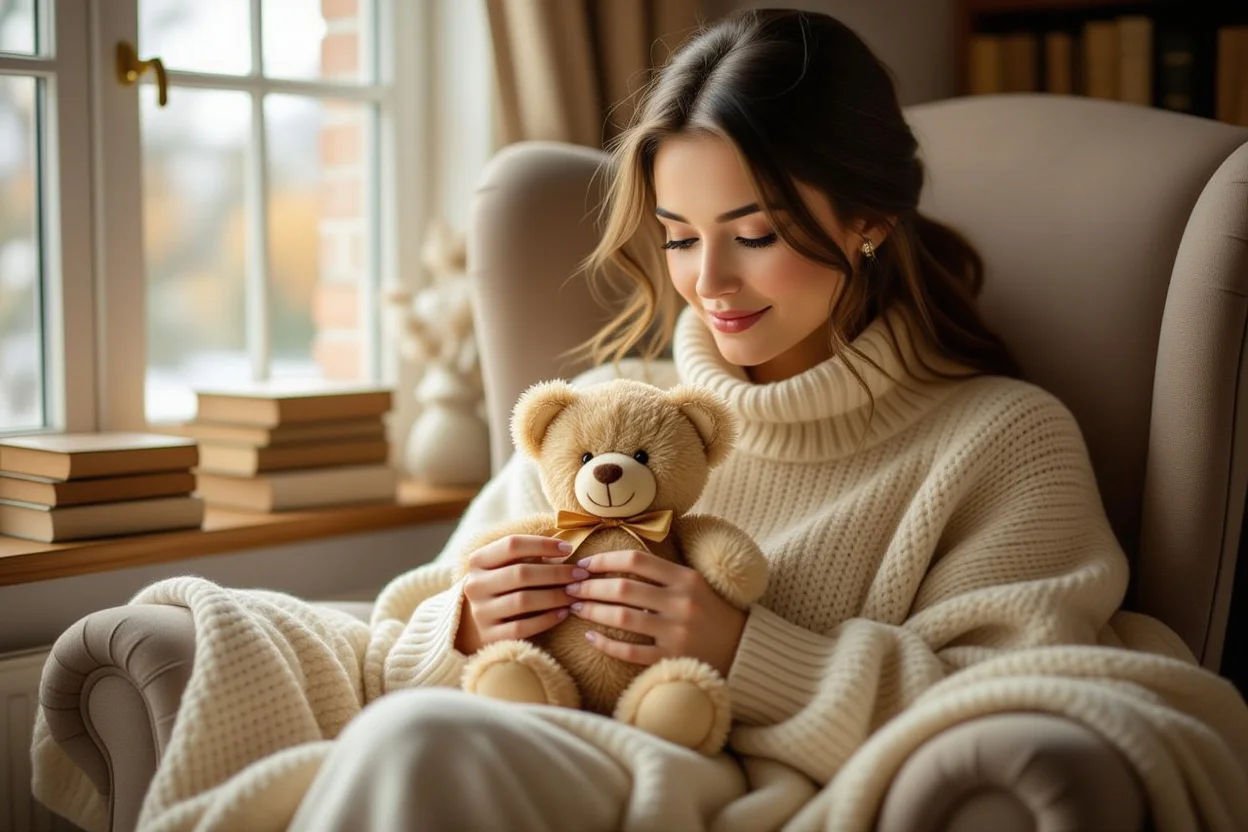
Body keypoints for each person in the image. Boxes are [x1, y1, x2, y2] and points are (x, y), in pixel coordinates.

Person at [287, 8, 1248, 832]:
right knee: (411, 731)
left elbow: (1021, 696)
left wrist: (744, 653)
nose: (709, 284)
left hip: (709, 790)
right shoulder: (612, 408)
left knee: (418, 743)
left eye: (754, 235)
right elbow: (392, 648)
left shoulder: (999, 439)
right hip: (521, 748)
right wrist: (463, 623)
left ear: (867, 219)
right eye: (678, 238)